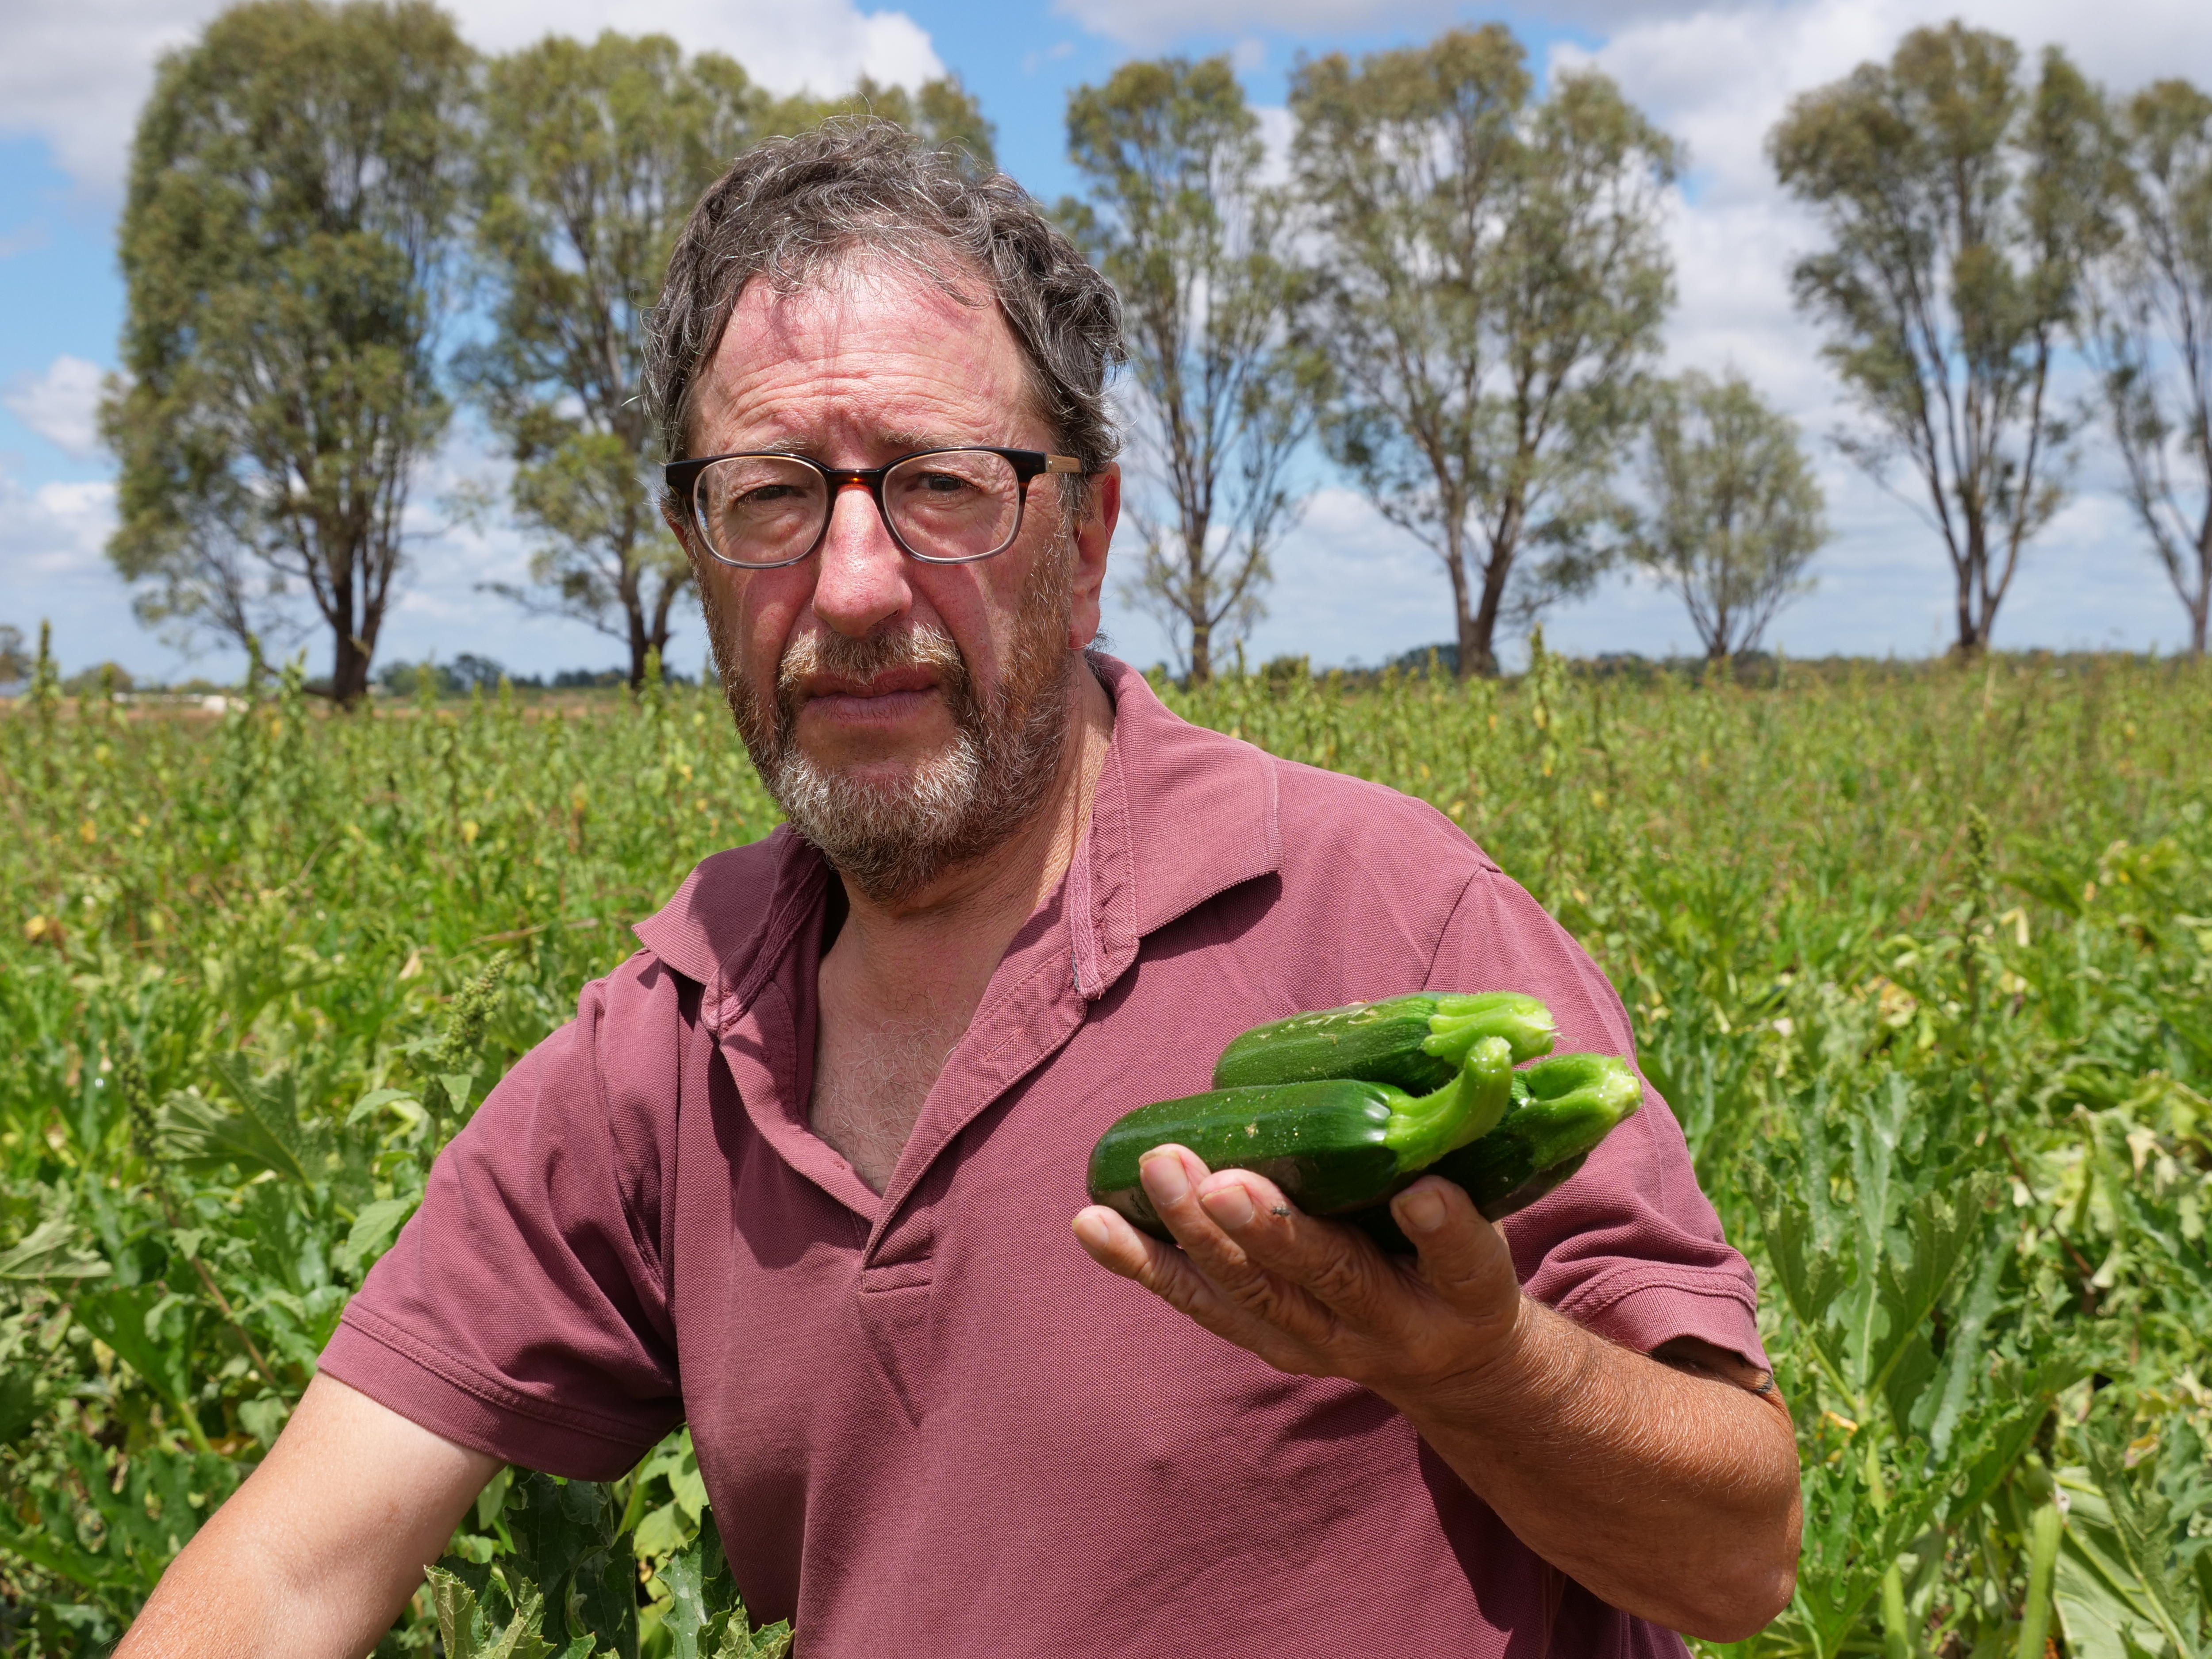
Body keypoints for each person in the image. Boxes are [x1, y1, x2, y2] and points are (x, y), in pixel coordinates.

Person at [118, 120, 1799, 1659]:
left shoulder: (1381, 916)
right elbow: (293, 1570)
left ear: (1085, 536)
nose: (852, 586)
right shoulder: (671, 1039)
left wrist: (1485, 1375)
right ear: (698, 559)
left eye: (940, 485)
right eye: (770, 495)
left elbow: (1736, 1557)